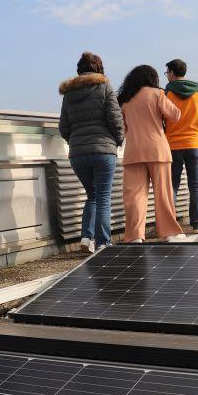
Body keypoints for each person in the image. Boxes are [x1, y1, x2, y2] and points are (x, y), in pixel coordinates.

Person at [58, 52, 124, 252]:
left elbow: (63, 127)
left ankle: (87, 238)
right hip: (103, 151)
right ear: (99, 69)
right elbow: (115, 119)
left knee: (92, 195)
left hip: (78, 154)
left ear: (79, 70)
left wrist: (75, 142)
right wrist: (118, 140)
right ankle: (103, 242)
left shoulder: (69, 94)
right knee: (103, 197)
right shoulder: (104, 87)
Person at [117, 65, 186, 243]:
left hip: (133, 152)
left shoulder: (125, 100)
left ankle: (135, 236)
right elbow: (176, 115)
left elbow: (123, 130)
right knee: (163, 194)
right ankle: (169, 233)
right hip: (157, 150)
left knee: (135, 197)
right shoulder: (157, 94)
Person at [164, 59, 198, 234]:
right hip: (193, 143)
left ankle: (171, 227)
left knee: (173, 186)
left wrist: (166, 130)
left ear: (171, 73)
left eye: (166, 73)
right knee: (195, 185)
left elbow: (160, 118)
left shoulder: (167, 93)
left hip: (173, 144)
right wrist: (197, 130)